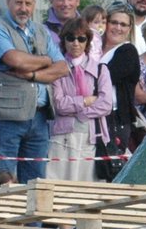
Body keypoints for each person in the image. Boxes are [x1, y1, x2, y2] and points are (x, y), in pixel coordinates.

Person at [0, 0, 67, 186]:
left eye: (28, 3)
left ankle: (32, 220)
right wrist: (46, 60)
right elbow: (14, 60)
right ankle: (1, 220)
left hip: (39, 117)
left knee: (36, 186)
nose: (23, 8)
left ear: (34, 5)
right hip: (5, 118)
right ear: (8, 2)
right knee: (1, 183)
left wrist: (32, 75)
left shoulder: (41, 31)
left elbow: (62, 67)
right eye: (18, 2)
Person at [46, 19, 114, 181]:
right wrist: (85, 101)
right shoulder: (57, 69)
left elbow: (105, 105)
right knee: (60, 187)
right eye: (70, 38)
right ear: (63, 41)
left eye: (81, 38)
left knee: (88, 189)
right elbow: (59, 105)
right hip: (62, 137)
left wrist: (80, 113)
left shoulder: (100, 69)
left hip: (92, 136)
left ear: (87, 42)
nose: (76, 43)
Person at [97, 4, 143, 178]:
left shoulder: (128, 51)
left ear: (129, 28)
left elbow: (106, 79)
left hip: (115, 118)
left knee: (111, 169)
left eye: (123, 24)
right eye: (114, 22)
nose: (118, 28)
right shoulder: (93, 49)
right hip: (90, 116)